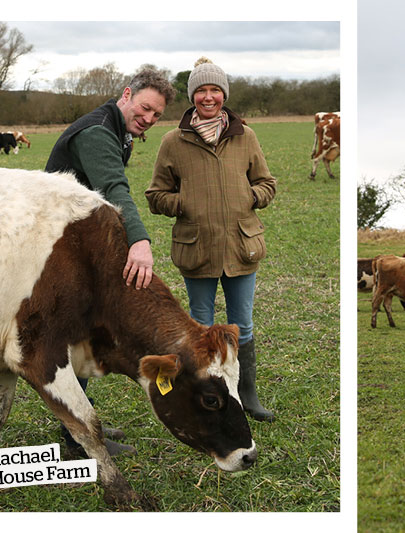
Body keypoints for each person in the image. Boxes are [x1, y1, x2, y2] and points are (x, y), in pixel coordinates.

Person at [45, 68, 178, 457]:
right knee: (75, 336)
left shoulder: (119, 131)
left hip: (77, 244)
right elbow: (113, 188)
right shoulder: (98, 132)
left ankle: (80, 423)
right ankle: (76, 438)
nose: (149, 119)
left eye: (157, 115)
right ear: (126, 95)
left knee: (83, 336)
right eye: (146, 108)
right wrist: (138, 239)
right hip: (57, 248)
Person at [146, 57, 278, 421]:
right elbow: (156, 195)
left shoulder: (245, 137)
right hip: (197, 248)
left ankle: (245, 394)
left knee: (243, 325)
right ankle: (205, 392)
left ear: (224, 95)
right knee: (201, 327)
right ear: (192, 97)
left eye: (215, 90)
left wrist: (249, 197)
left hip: (241, 246)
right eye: (201, 90)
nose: (209, 97)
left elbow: (267, 184)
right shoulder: (173, 141)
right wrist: (185, 202)